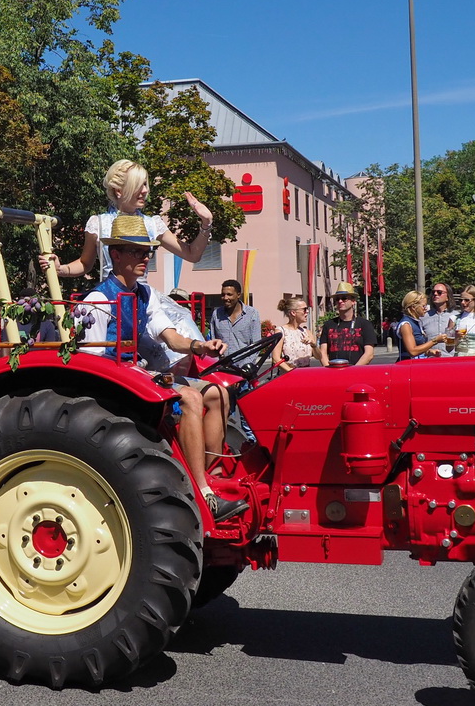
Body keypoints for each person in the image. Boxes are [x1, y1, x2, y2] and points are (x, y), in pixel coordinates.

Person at [77, 215, 246, 521]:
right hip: (113, 380)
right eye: (137, 252)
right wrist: (144, 374)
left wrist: (199, 346)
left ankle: (213, 473)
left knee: (217, 394)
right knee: (191, 398)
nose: (146, 258)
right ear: (116, 254)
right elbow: (92, 361)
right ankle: (201, 492)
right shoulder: (98, 300)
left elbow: (169, 336)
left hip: (135, 373)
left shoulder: (145, 294)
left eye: (148, 252)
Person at [44, 159, 213, 282]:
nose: (146, 190)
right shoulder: (98, 223)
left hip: (143, 299)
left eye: (146, 184)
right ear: (119, 191)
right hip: (110, 298)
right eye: (139, 185)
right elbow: (85, 263)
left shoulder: (153, 224)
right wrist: (60, 269)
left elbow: (192, 255)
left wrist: (206, 223)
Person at [317, 285, 376, 366]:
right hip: (334, 373)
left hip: (357, 373)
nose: (340, 301)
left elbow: (369, 354)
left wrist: (352, 372)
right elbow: (323, 352)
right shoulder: (328, 325)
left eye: (344, 298)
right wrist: (328, 371)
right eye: (337, 299)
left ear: (353, 301)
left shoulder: (365, 324)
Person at [208, 279, 261, 354]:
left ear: (238, 295)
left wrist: (247, 363)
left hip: (245, 364)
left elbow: (257, 345)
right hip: (223, 364)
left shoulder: (252, 314)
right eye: (223, 295)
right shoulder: (216, 314)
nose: (226, 298)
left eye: (229, 294)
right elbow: (214, 342)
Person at [396, 291, 448, 360]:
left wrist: (429, 352)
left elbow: (418, 348)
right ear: (413, 307)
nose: (426, 308)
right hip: (407, 365)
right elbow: (412, 351)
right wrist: (435, 340)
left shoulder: (417, 322)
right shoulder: (406, 325)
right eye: (423, 306)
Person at [271, 295, 316, 372]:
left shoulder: (307, 332)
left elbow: (319, 356)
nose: (307, 311)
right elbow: (275, 358)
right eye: (304, 309)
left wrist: (314, 345)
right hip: (289, 376)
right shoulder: (281, 331)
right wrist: (292, 373)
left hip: (307, 374)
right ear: (293, 312)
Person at [420, 282, 457, 356]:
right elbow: (419, 344)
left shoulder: (456, 316)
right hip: (431, 362)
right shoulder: (423, 317)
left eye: (439, 292)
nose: (435, 294)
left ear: (447, 297)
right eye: (433, 292)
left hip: (451, 361)